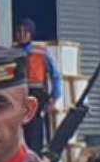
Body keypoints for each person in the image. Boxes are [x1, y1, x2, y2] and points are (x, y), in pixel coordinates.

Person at [13, 19, 63, 153]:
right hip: (17, 95)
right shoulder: (11, 53)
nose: (22, 35)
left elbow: (55, 75)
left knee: (35, 134)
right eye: (19, 31)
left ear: (31, 34)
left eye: (25, 32)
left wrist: (55, 97)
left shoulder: (41, 52)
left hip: (36, 95)